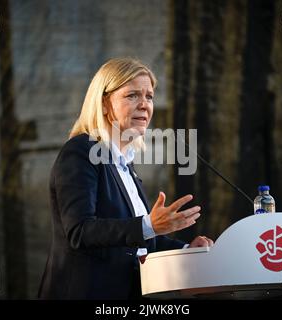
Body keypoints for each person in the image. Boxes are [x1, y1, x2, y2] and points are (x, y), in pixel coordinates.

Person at [38, 57, 214, 299]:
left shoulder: (124, 164)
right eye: (132, 95)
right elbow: (80, 231)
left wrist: (187, 250)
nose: (144, 105)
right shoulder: (81, 151)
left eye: (149, 96)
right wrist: (150, 225)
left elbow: (138, 241)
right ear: (103, 104)